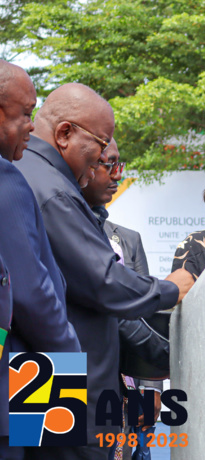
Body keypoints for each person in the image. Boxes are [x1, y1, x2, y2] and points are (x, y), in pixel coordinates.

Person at [15, 83, 193, 460]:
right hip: (63, 378)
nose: (102, 161)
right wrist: (171, 288)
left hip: (39, 372)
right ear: (65, 134)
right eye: (101, 144)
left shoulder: (28, 174)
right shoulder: (52, 191)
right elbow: (104, 282)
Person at [0, 61, 81, 459]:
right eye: (25, 113)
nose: (32, 127)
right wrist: (70, 356)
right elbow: (31, 294)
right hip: (23, 380)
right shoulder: (4, 178)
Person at [81, 139, 164, 460]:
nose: (117, 175)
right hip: (55, 371)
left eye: (120, 166)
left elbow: (143, 313)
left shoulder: (127, 239)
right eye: (108, 165)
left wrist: (152, 387)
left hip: (121, 381)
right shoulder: (46, 215)